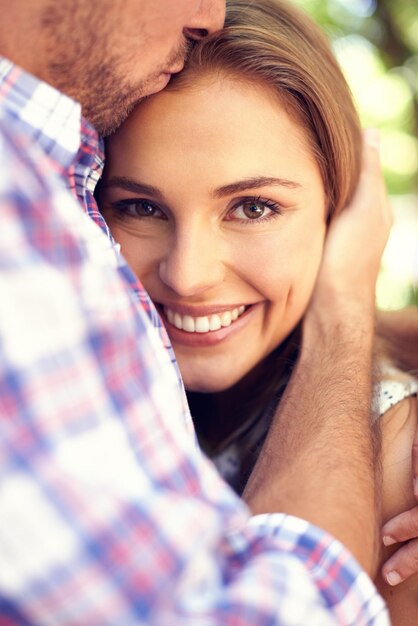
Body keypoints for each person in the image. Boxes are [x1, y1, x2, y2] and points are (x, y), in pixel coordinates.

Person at [0, 0, 407, 624]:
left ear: (343, 205)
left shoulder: (396, 470)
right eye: (140, 207)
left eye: (253, 208)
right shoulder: (80, 405)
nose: (188, 276)